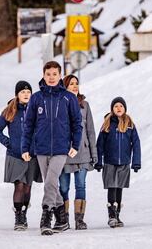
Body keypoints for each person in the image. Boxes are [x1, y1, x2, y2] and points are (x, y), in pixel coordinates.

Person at [21, 61, 83, 236]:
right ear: (43, 75)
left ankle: (46, 216)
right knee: (52, 185)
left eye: (54, 74)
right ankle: (62, 219)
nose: (51, 77)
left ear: (60, 75)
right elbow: (29, 125)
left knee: (50, 182)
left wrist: (75, 144)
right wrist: (25, 148)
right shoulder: (36, 98)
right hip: (41, 148)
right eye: (48, 74)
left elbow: (77, 124)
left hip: (61, 149)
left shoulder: (68, 98)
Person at [0, 80, 42, 231]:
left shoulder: (37, 110)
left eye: (28, 92)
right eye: (23, 92)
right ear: (17, 95)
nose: (26, 95)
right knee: (19, 185)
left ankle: (24, 213)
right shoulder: (10, 110)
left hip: (32, 155)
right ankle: (18, 215)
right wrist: (10, 143)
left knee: (27, 187)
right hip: (15, 155)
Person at [95, 97, 141, 228]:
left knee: (119, 188)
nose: (119, 108)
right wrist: (99, 161)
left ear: (125, 108)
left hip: (124, 163)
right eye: (116, 106)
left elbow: (136, 143)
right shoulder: (107, 124)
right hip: (110, 162)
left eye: (121, 106)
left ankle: (117, 214)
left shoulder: (130, 124)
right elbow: (100, 145)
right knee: (112, 187)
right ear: (112, 109)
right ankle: (111, 215)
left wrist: (136, 162)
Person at [59, 75, 97, 230]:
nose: (75, 86)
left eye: (76, 83)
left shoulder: (85, 105)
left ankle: (79, 220)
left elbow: (91, 131)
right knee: (63, 188)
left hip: (83, 153)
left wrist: (94, 153)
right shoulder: (59, 104)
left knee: (81, 186)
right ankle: (63, 219)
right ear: (65, 87)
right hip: (64, 154)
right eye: (71, 84)